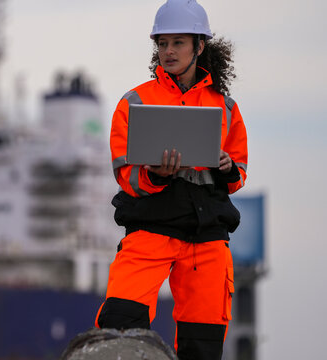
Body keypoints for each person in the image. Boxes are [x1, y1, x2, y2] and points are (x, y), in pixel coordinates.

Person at [94, 0, 248, 359]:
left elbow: (239, 171)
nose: (168, 51)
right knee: (119, 326)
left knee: (203, 347)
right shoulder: (134, 102)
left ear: (199, 46)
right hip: (151, 230)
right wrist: (155, 174)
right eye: (162, 43)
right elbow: (126, 176)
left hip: (207, 239)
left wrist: (226, 167)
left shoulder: (224, 107)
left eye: (178, 42)